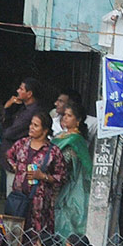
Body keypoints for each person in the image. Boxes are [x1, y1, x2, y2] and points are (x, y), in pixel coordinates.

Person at [52, 97, 93, 238]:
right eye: (65, 115)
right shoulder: (59, 136)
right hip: (54, 183)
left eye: (70, 116)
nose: (65, 118)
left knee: (67, 217)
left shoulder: (77, 140)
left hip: (70, 184)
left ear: (78, 120)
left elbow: (86, 166)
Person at [0, 77, 46, 162]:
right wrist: (7, 107)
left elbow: (9, 133)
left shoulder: (32, 112)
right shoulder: (22, 107)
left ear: (29, 94)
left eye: (21, 89)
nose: (17, 91)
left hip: (18, 158)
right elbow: (6, 122)